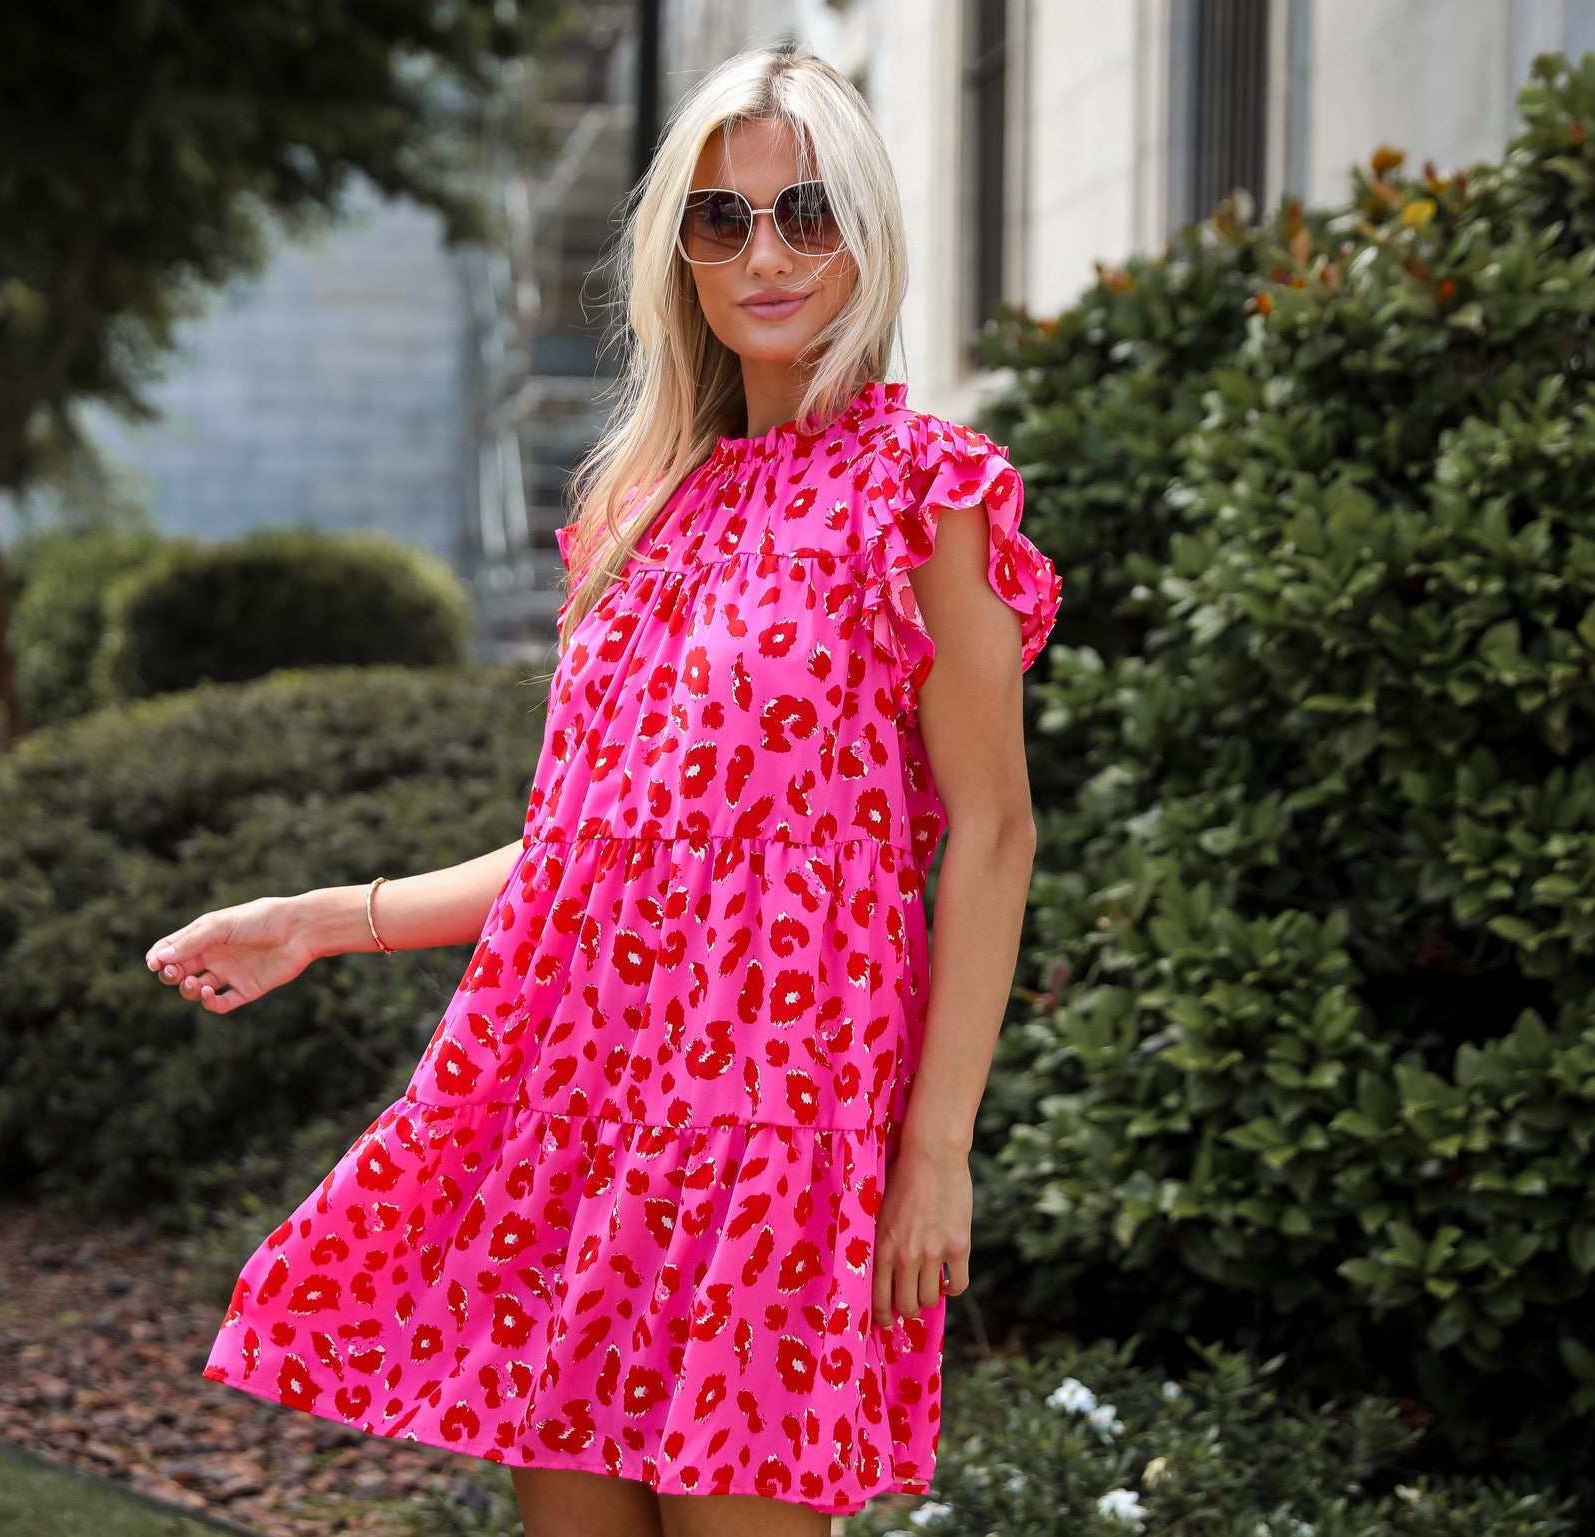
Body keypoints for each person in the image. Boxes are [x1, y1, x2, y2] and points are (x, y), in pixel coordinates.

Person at [146, 44, 1060, 1537]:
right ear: (679, 255)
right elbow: (594, 847)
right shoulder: (638, 513)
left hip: (777, 1123)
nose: (764, 252)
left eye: (806, 212)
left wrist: (936, 1147)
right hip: (580, 1113)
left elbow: (996, 835)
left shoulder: (926, 494)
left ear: (869, 233)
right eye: (722, 219)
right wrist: (317, 918)